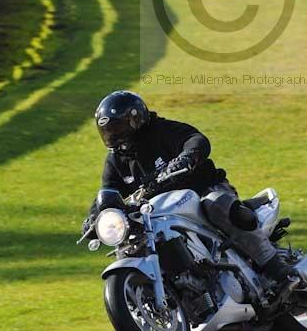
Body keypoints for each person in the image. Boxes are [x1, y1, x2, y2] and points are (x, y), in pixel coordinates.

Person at [83, 90, 293, 286]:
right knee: (130, 242)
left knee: (217, 205)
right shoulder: (116, 160)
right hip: (157, 210)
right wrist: (96, 217)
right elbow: (109, 190)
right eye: (108, 131)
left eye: (118, 128)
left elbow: (196, 140)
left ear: (135, 120)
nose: (114, 135)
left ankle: (274, 266)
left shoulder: (162, 131)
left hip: (203, 190)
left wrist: (186, 158)